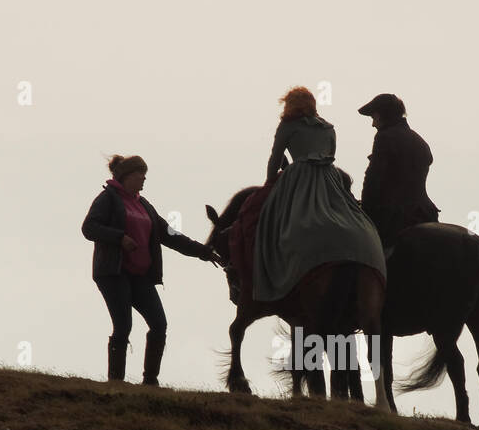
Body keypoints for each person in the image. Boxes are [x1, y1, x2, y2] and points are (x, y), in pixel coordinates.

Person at [80, 153, 222, 384]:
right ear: (126, 176)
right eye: (140, 175)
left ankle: (150, 380)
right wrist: (119, 238)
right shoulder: (108, 199)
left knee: (159, 323)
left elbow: (169, 234)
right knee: (123, 325)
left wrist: (203, 252)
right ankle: (116, 381)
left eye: (145, 176)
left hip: (140, 276)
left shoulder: (144, 205)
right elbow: (89, 227)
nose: (144, 180)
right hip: (114, 272)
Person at [253, 87, 386, 304]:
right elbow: (331, 155)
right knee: (353, 214)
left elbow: (275, 158)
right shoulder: (328, 128)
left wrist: (269, 183)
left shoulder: (287, 125)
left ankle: (271, 273)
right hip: (329, 177)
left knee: (268, 217)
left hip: (298, 177)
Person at [357, 93, 441, 248]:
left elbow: (373, 180)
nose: (373, 124)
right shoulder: (419, 140)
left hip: (394, 218)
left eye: (373, 117)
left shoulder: (384, 137)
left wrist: (365, 212)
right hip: (425, 213)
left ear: (382, 115)